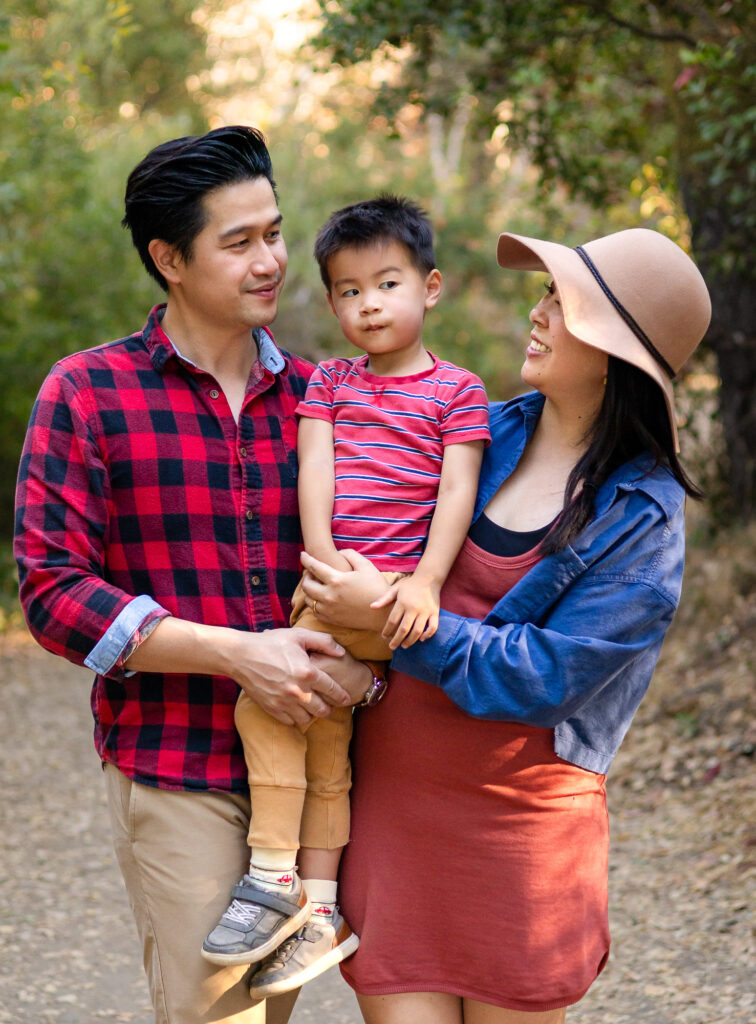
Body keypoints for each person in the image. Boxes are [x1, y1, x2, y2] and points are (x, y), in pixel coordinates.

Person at [298, 227, 711, 1023]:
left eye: (565, 303)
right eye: (548, 294)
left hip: (522, 838)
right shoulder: (485, 430)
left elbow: (545, 676)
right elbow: (361, 507)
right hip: (397, 808)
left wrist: (388, 629)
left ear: (615, 350)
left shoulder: (643, 519)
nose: (539, 312)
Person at [13, 125, 374, 1024]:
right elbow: (55, 593)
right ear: (169, 258)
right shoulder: (88, 393)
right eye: (240, 242)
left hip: (330, 764)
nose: (273, 261)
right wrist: (239, 655)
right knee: (220, 1019)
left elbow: (391, 551)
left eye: (276, 233)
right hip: (179, 764)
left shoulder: (325, 400)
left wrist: (366, 667)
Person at [203, 195, 491, 998]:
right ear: (331, 301)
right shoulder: (329, 381)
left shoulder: (459, 392)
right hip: (328, 588)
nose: (368, 304)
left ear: (429, 288)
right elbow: (315, 474)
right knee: (321, 742)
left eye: (386, 284)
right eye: (349, 290)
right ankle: (322, 906)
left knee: (268, 707)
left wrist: (424, 582)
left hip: (399, 599)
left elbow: (457, 492)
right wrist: (324, 565)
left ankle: (271, 875)